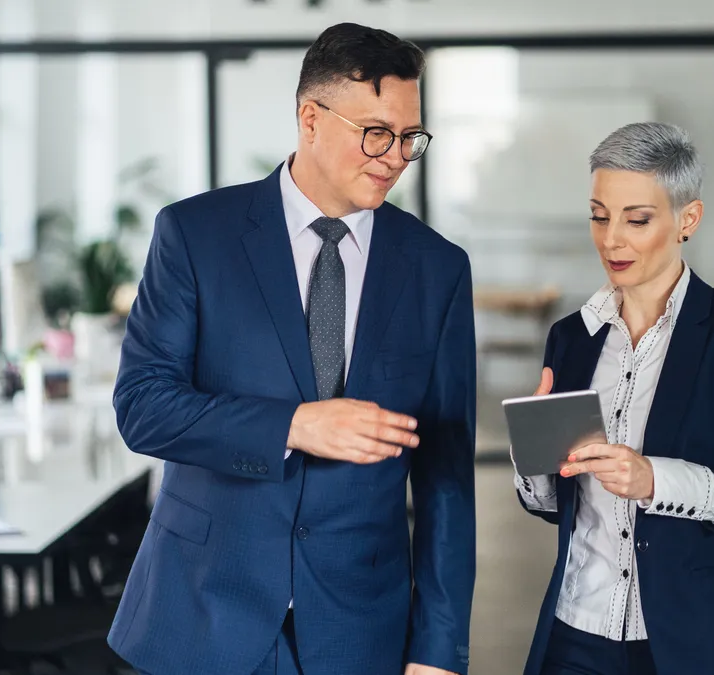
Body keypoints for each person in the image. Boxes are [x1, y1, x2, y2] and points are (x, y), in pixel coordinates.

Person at [107, 23, 476, 675]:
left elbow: (445, 480)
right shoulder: (195, 236)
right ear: (311, 118)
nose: (394, 156)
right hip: (200, 614)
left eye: (409, 138)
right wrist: (296, 425)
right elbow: (143, 407)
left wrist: (439, 650)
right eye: (376, 133)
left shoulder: (437, 269)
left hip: (359, 629)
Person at [513, 122, 714, 675]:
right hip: (576, 636)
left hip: (701, 640)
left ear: (686, 219)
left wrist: (653, 480)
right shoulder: (571, 338)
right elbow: (555, 506)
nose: (610, 239)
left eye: (636, 220)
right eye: (599, 216)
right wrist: (535, 457)